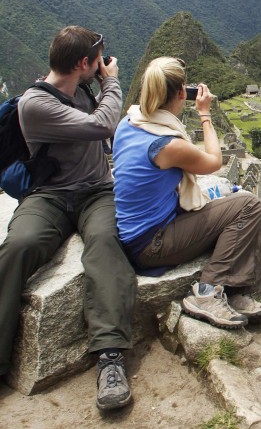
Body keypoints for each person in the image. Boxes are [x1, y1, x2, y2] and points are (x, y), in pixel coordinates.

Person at [0, 26, 136, 411]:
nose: (102, 65)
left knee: (106, 245)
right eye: (97, 60)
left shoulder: (81, 88)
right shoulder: (36, 104)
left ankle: (110, 356)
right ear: (82, 63)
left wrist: (99, 83)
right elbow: (102, 126)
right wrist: (113, 83)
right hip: (51, 196)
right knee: (19, 246)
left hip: (96, 191)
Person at [112, 56, 261, 331]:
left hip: (136, 232)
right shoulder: (166, 144)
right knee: (247, 205)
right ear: (181, 94)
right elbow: (214, 161)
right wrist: (205, 114)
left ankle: (233, 293)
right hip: (151, 244)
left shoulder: (129, 123)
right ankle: (207, 291)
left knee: (224, 195)